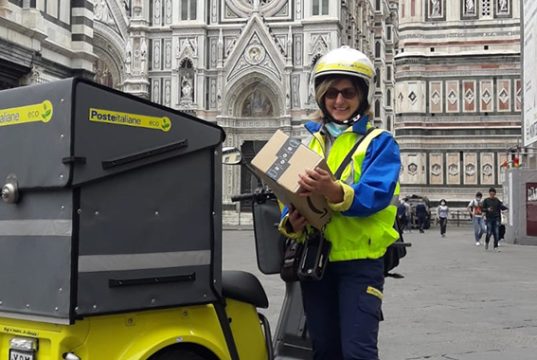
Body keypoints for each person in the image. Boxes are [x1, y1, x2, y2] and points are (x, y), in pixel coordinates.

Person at [277, 46, 401, 360]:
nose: (339, 101)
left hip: (360, 264)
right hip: (316, 261)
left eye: (348, 92)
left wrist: (334, 191)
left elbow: (377, 193)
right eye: (331, 93)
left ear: (362, 96)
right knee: (324, 350)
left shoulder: (379, 141)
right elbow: (288, 195)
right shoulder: (307, 141)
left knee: (357, 352)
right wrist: (291, 222)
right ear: (321, 97)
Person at [483, 187, 508, 252]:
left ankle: (495, 246)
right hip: (489, 218)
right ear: (489, 193)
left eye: (493, 194)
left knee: (496, 232)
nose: (492, 195)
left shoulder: (497, 200)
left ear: (495, 194)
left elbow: (501, 206)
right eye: (491, 194)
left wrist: (506, 209)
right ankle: (487, 242)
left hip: (496, 218)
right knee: (489, 232)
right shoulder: (486, 200)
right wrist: (487, 209)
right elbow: (482, 209)